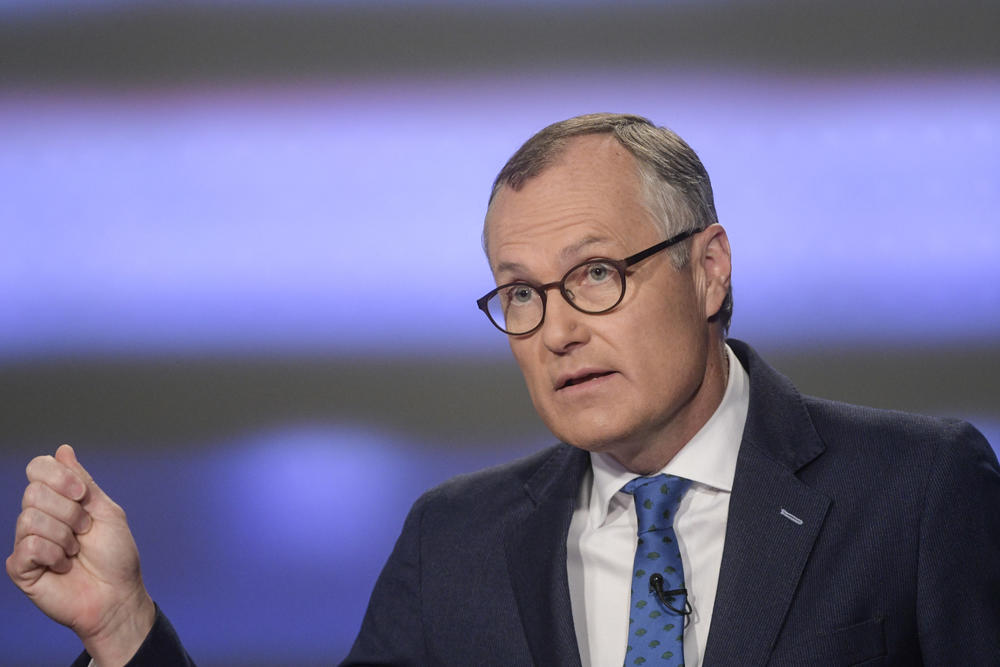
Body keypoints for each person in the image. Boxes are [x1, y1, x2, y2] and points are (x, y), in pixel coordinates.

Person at [8, 113, 1000, 666]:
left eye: (595, 275)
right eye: (519, 294)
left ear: (708, 269)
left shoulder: (915, 489)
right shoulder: (456, 544)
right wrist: (124, 627)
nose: (558, 328)